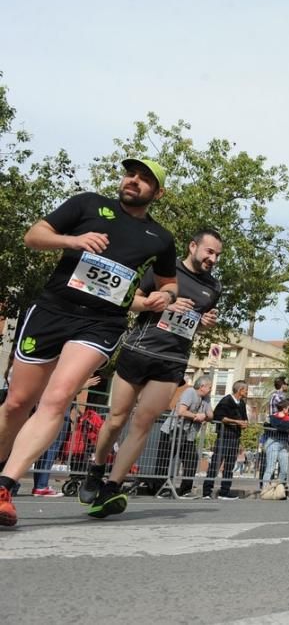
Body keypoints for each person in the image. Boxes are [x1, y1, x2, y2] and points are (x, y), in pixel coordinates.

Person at [0, 158, 178, 527]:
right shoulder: (87, 204)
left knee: (58, 396)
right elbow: (33, 235)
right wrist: (72, 240)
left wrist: (167, 297)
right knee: (17, 403)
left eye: (145, 179)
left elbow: (168, 283)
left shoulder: (160, 238)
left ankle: (6, 485)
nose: (134, 180)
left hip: (101, 323)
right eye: (131, 173)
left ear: (157, 193)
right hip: (52, 310)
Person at [80, 228, 223, 515]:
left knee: (143, 423)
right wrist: (163, 302)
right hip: (139, 350)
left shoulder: (214, 288)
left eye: (218, 255)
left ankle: (111, 488)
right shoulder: (164, 271)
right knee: (117, 419)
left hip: (171, 360)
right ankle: (96, 469)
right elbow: (129, 301)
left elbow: (195, 320)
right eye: (209, 251)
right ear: (192, 246)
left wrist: (203, 321)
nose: (213, 259)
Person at [148, 376, 214, 502]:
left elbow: (210, 415)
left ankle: (185, 490)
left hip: (189, 435)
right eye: (209, 387)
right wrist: (196, 415)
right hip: (173, 430)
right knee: (164, 459)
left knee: (191, 460)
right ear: (202, 386)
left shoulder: (206, 398)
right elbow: (181, 411)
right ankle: (159, 489)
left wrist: (204, 415)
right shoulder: (190, 392)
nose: (211, 389)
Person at [202, 381, 249, 500]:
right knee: (216, 463)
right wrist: (237, 422)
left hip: (235, 437)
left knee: (230, 465)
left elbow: (244, 418)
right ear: (240, 390)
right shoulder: (226, 400)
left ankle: (225, 491)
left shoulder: (242, 403)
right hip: (224, 436)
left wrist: (244, 424)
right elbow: (220, 417)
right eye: (245, 390)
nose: (247, 392)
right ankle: (207, 491)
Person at [261, 399, 289, 487]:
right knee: (270, 468)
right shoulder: (272, 417)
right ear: (285, 408)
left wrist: (284, 428)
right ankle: (265, 489)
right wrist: (285, 428)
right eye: (288, 408)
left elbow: (287, 427)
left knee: (285, 470)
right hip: (273, 443)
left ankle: (276, 487)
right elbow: (285, 427)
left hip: (283, 445)